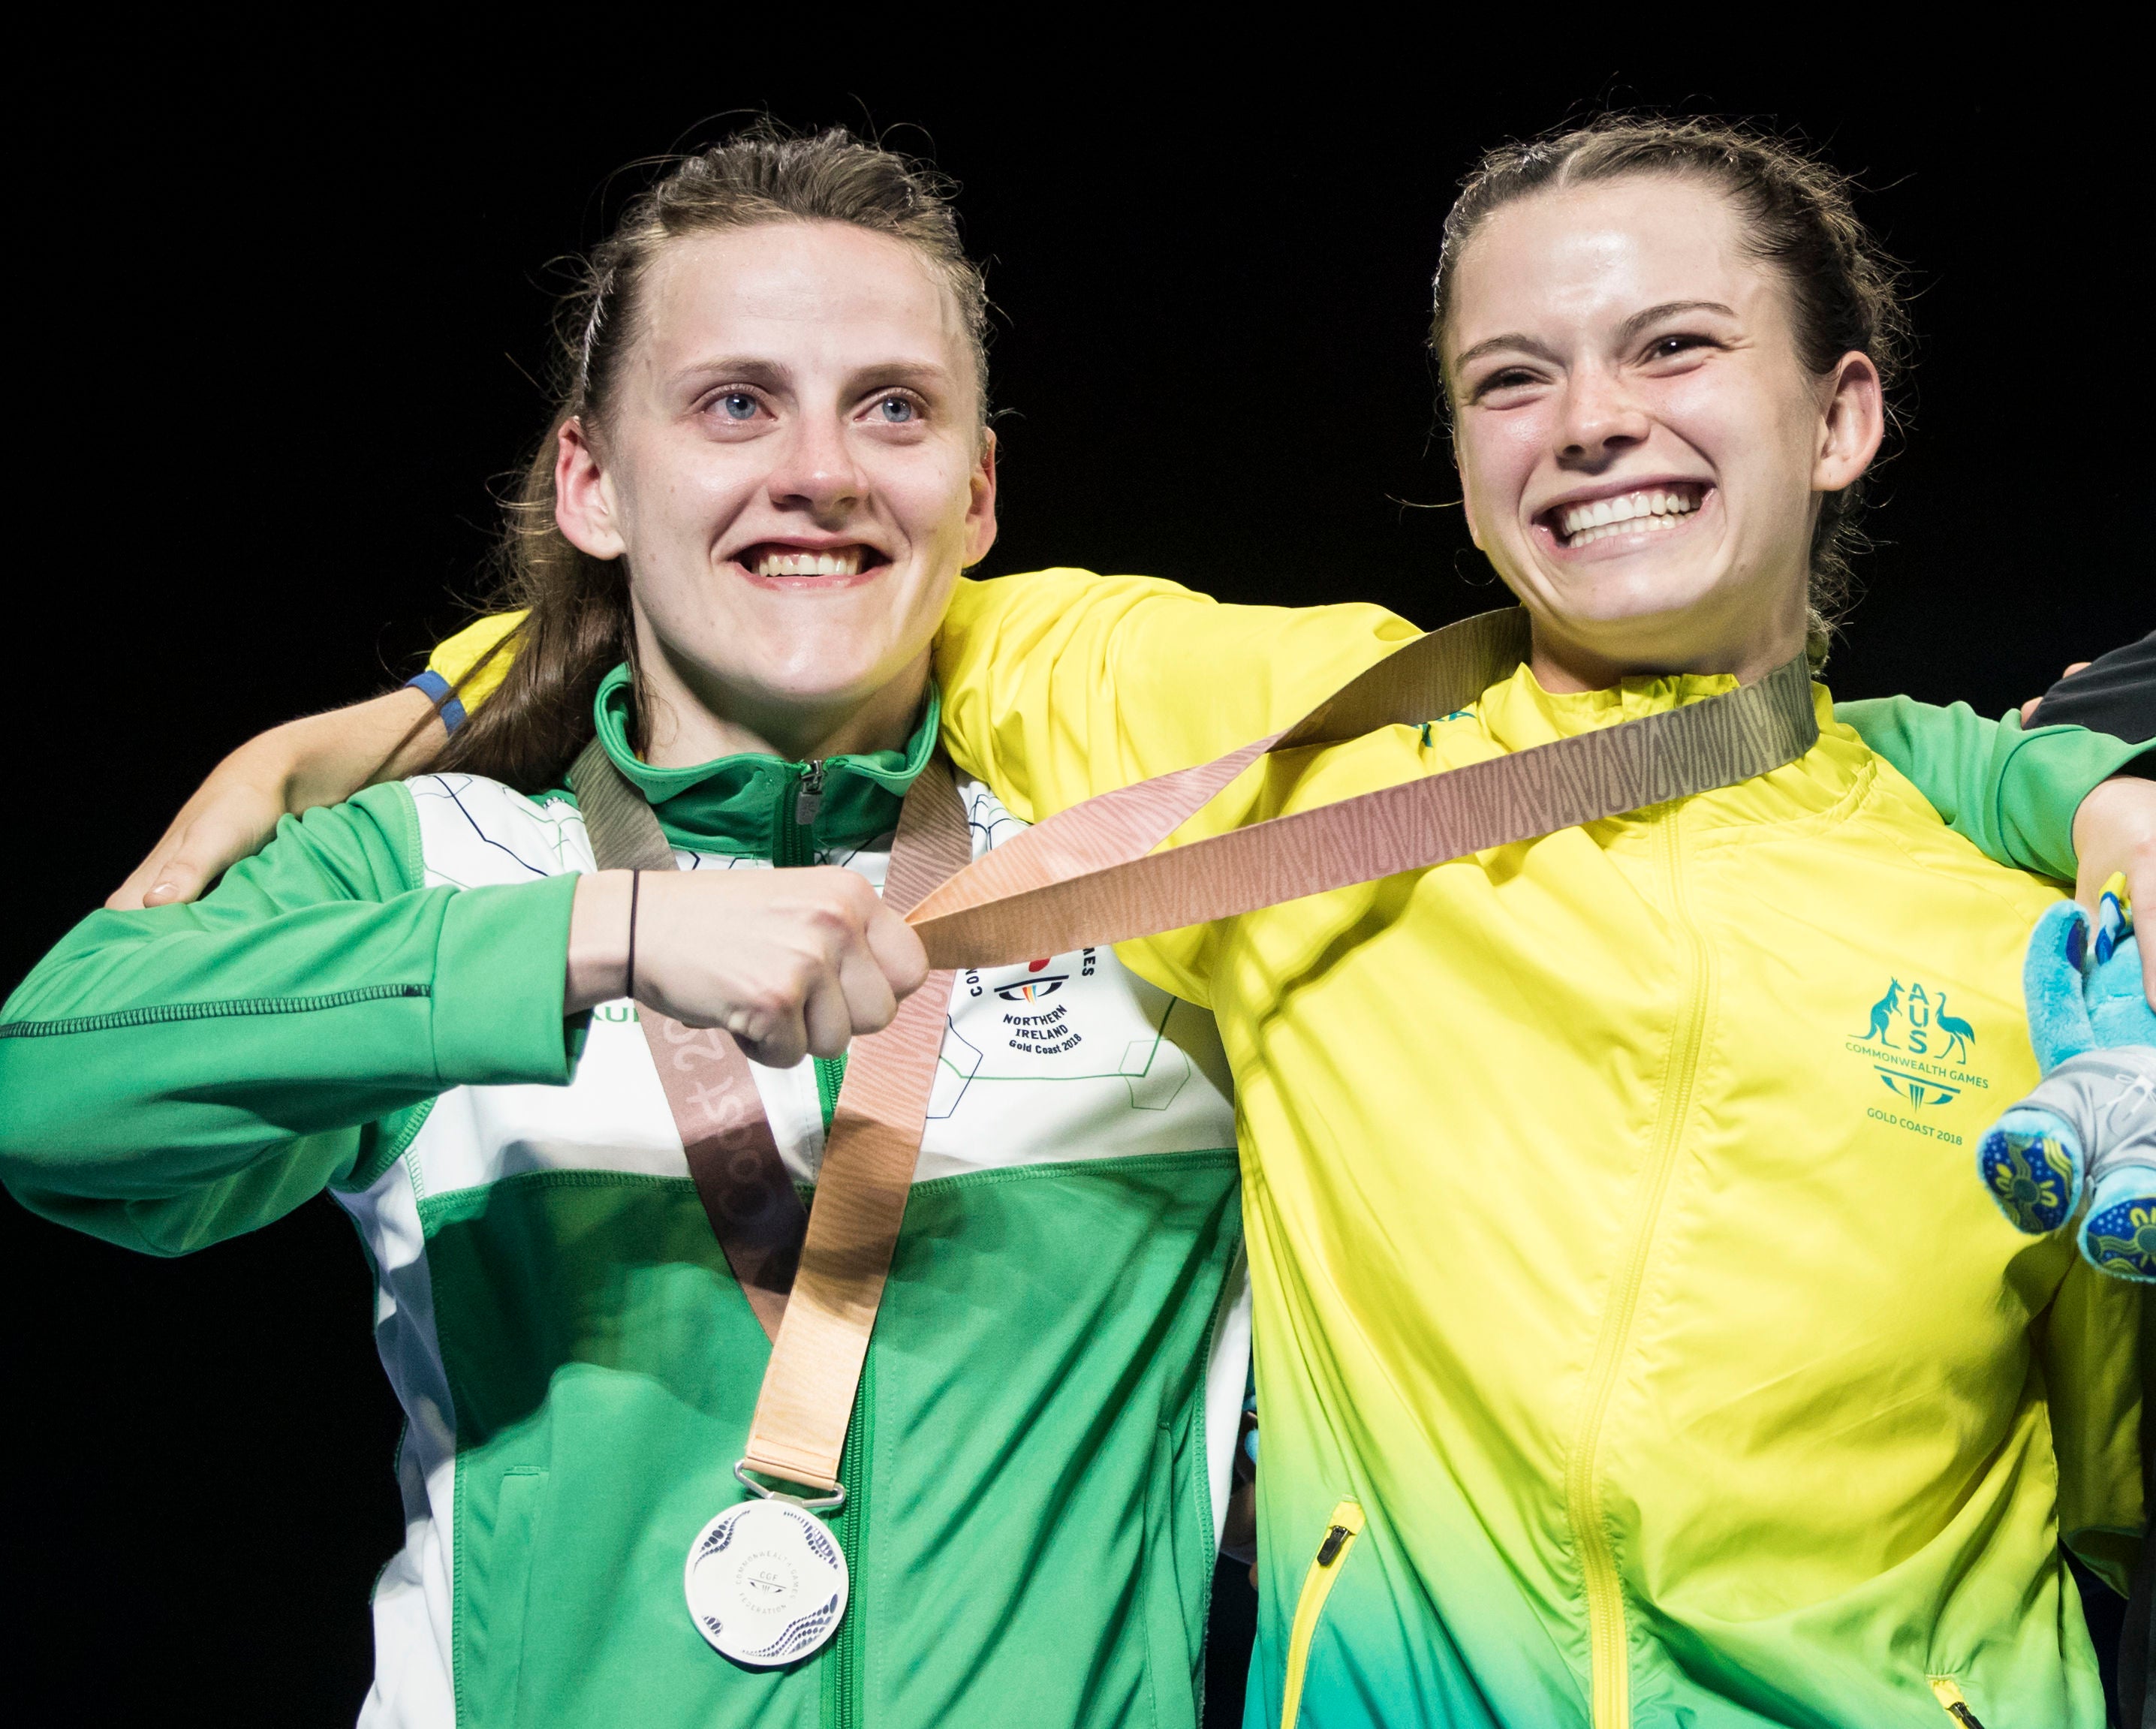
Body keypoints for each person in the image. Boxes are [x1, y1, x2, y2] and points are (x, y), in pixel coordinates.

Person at [59, 120, 2153, 1726]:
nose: (1593, 421)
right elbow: (54, 1096)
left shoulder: (2007, 929)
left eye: (1676, 345)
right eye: (1516, 375)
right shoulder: (454, 867)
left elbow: (1791, 761)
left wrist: (2104, 779)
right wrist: (520, 832)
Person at [0, 130, 1253, 1728]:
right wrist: (600, 935)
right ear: (590, 481)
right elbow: (46, 1092)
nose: (821, 469)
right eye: (736, 403)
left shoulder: (1148, 909)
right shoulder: (436, 865)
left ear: (977, 493)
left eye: (893, 407)